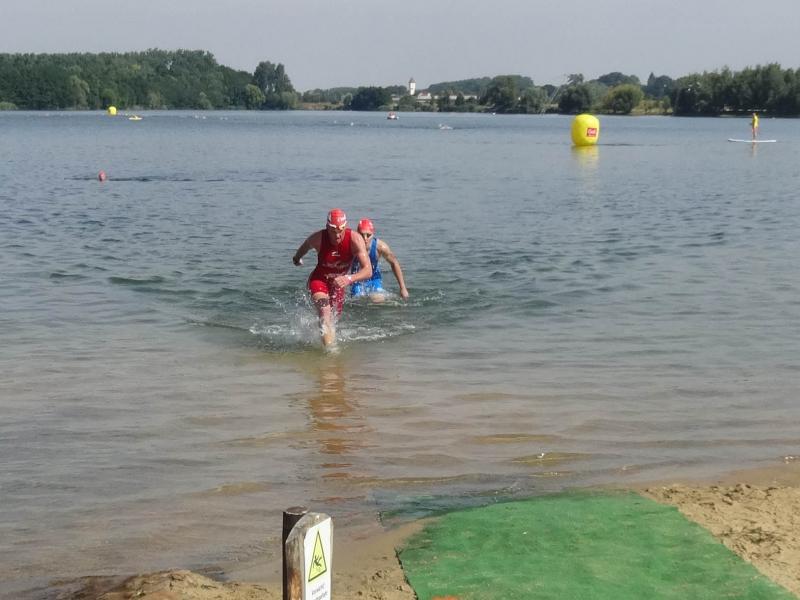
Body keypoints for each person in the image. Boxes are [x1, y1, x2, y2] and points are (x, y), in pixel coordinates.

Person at [293, 209, 372, 347]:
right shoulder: (318, 238)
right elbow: (304, 247)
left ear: (345, 227)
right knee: (325, 313)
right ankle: (330, 353)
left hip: (339, 285)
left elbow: (368, 270)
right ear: (327, 227)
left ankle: (322, 341)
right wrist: (296, 259)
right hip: (319, 280)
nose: (337, 235)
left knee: (333, 320)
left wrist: (349, 278)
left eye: (340, 231)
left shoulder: (355, 239)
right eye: (333, 231)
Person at [350, 218, 409, 302]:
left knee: (378, 299)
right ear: (357, 234)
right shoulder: (351, 247)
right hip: (357, 280)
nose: (365, 239)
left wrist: (403, 288)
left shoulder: (380, 247)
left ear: (373, 234)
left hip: (374, 279)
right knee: (358, 301)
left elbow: (394, 263)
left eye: (368, 235)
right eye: (362, 235)